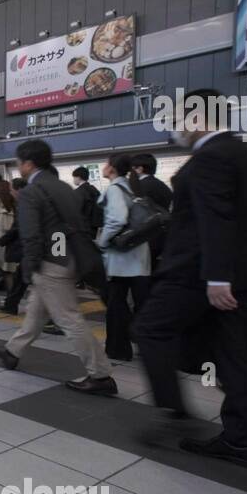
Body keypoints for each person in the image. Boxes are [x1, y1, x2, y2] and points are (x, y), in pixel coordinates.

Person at [132, 90, 247, 467]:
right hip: (237, 275)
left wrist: (217, 277)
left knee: (150, 329)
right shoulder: (244, 156)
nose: (176, 129)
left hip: (197, 274)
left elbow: (215, 217)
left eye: (178, 121)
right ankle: (242, 439)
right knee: (233, 356)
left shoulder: (211, 157)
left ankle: (172, 411)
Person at [0, 140, 117, 396]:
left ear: (28, 163)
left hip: (50, 262)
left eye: (19, 162)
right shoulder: (64, 187)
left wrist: (30, 266)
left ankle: (101, 375)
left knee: (68, 318)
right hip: (69, 257)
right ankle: (13, 352)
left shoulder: (31, 192)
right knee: (37, 311)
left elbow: (32, 235)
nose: (18, 166)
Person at [96, 154, 150, 362]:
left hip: (121, 258)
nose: (103, 166)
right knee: (139, 302)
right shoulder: (132, 187)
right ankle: (147, 346)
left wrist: (102, 242)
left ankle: (118, 349)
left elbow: (117, 219)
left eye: (105, 163)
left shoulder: (115, 189)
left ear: (111, 168)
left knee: (116, 304)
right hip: (138, 255)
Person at [131, 153, 173, 268]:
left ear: (139, 169)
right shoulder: (162, 185)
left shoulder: (139, 188)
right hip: (162, 236)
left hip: (146, 238)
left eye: (132, 169)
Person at [0, 178, 28, 314]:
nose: (11, 193)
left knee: (43, 285)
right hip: (32, 249)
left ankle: (53, 319)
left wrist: (3, 240)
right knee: (20, 279)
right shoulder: (24, 202)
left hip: (33, 249)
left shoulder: (26, 204)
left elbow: (18, 227)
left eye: (12, 190)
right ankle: (10, 305)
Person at [72, 167, 102, 238]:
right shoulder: (94, 190)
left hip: (83, 226)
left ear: (78, 177)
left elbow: (76, 211)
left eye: (74, 178)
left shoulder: (78, 192)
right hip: (95, 226)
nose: (73, 180)